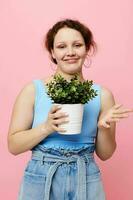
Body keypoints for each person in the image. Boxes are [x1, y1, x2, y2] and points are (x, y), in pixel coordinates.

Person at [7, 18, 133, 200]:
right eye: (61, 46)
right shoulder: (33, 91)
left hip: (86, 175)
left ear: (87, 48)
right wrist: (47, 127)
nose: (70, 52)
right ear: (52, 52)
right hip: (41, 175)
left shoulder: (102, 95)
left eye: (77, 45)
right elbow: (13, 145)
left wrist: (103, 127)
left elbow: (105, 154)